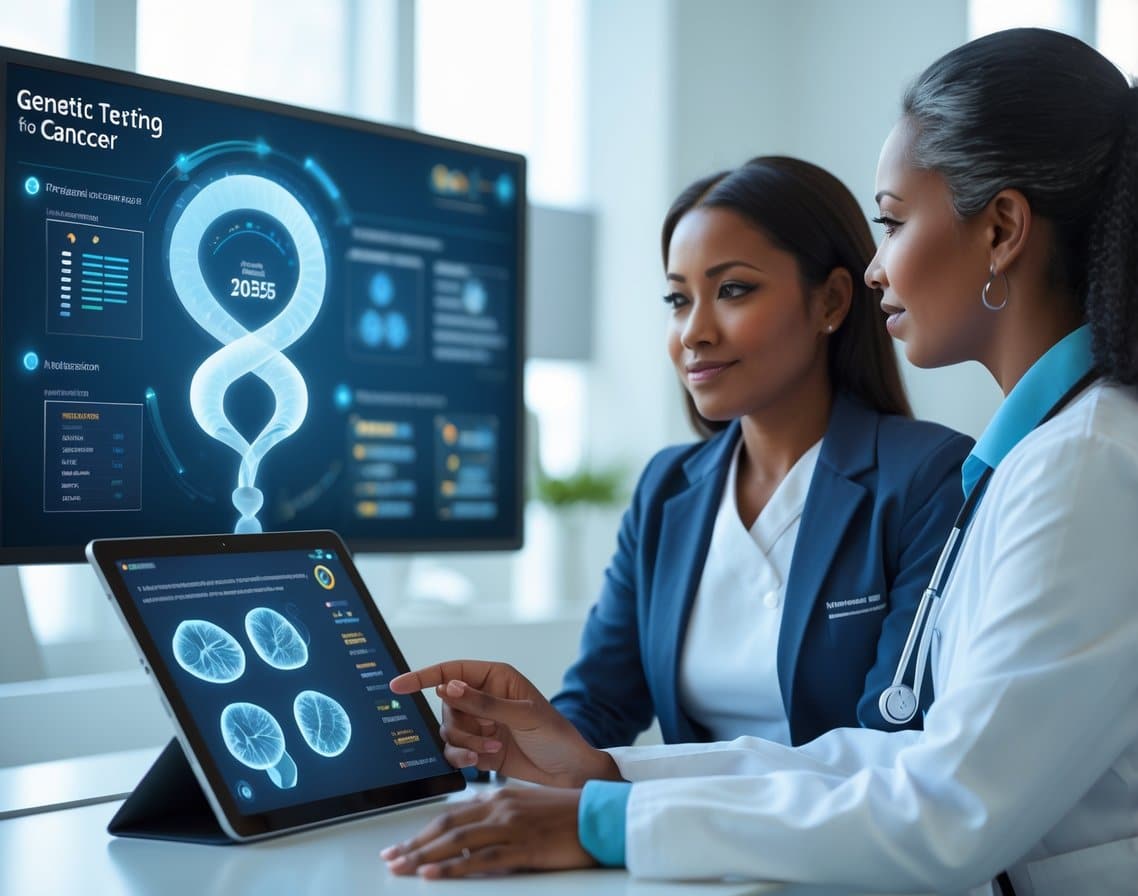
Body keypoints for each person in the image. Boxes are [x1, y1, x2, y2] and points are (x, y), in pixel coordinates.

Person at [384, 28, 1138, 893]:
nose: (880, 265)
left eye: (892, 222)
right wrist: (606, 777)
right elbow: (890, 762)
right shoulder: (1039, 462)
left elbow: (943, 806)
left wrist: (610, 820)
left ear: (1002, 228)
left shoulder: (1079, 465)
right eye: (676, 299)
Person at [551, 157, 971, 750]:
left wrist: (639, 804)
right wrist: (507, 740)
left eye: (732, 290)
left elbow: (893, 744)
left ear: (830, 302)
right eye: (677, 299)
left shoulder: (930, 479)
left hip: (836, 838)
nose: (694, 331)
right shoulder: (666, 487)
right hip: (673, 834)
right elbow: (596, 704)